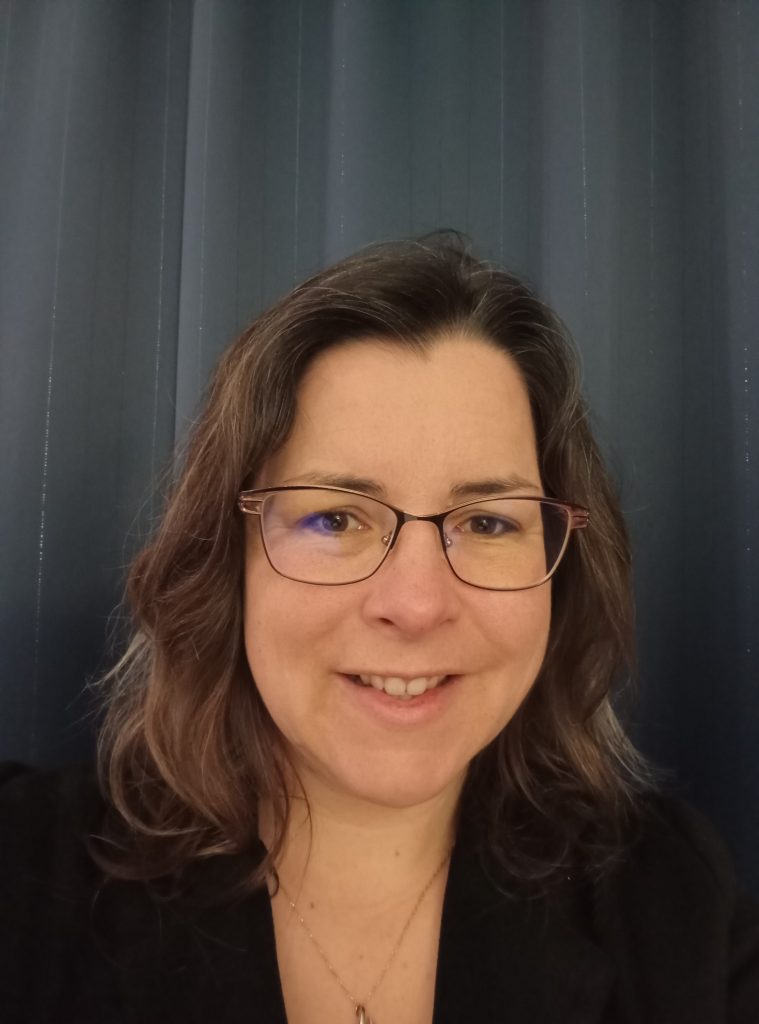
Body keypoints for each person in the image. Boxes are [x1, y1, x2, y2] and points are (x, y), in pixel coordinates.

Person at [1, 235, 758, 1024]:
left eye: (489, 522)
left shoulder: (674, 909)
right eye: (335, 518)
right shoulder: (20, 873)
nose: (417, 604)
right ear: (226, 561)